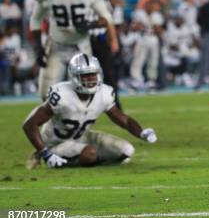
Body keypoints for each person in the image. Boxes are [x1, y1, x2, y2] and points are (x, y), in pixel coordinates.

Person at [22, 53, 157, 168]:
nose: (91, 79)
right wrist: (45, 152)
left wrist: (141, 132)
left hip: (81, 137)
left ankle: (84, 159)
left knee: (127, 151)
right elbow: (29, 125)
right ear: (74, 77)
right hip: (56, 142)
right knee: (90, 154)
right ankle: (55, 159)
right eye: (85, 76)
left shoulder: (104, 93)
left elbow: (125, 120)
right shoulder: (62, 95)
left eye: (93, 75)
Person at [29, 0, 119, 100]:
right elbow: (35, 19)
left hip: (81, 46)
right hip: (56, 46)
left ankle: (80, 122)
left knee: (87, 93)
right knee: (46, 95)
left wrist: (90, 24)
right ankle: (54, 123)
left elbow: (106, 18)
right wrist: (38, 47)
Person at [130, 0, 164, 90]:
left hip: (153, 38)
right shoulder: (139, 13)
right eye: (150, 5)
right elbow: (133, 27)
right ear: (146, 6)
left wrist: (156, 28)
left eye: (153, 6)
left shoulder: (157, 15)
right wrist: (140, 26)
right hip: (142, 37)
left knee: (153, 60)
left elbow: (160, 31)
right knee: (138, 59)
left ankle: (151, 80)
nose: (151, 8)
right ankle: (136, 80)